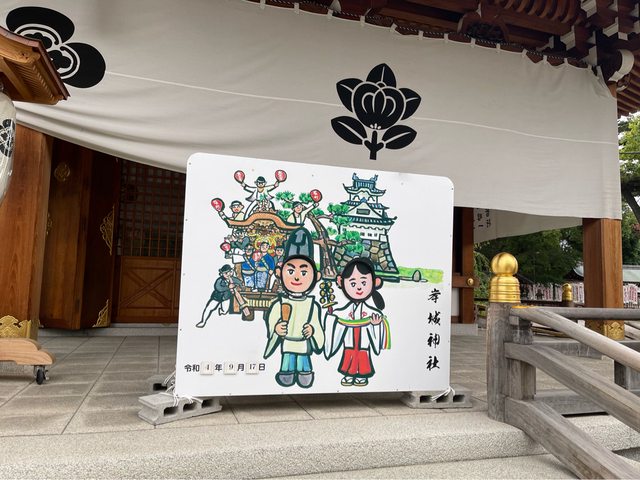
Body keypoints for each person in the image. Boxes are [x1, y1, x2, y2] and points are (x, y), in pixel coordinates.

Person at [264, 228, 324, 388]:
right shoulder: (280, 303)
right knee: (288, 361)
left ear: (316, 276)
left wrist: (312, 331)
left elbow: (317, 325)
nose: (297, 277)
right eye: (290, 271)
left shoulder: (312, 305)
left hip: (304, 343)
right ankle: (286, 373)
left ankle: (305, 373)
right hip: (287, 342)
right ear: (279, 273)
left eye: (304, 272)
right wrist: (276, 328)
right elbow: (272, 321)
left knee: (303, 362)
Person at [323, 258, 390, 387]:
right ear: (341, 282)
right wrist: (331, 315)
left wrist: (376, 325)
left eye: (364, 283)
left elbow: (378, 327)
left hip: (364, 343)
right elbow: (337, 317)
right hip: (349, 343)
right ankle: (349, 373)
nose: (359, 287)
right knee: (349, 353)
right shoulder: (344, 311)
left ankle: (362, 375)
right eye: (353, 284)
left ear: (375, 282)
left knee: (363, 354)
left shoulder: (371, 312)